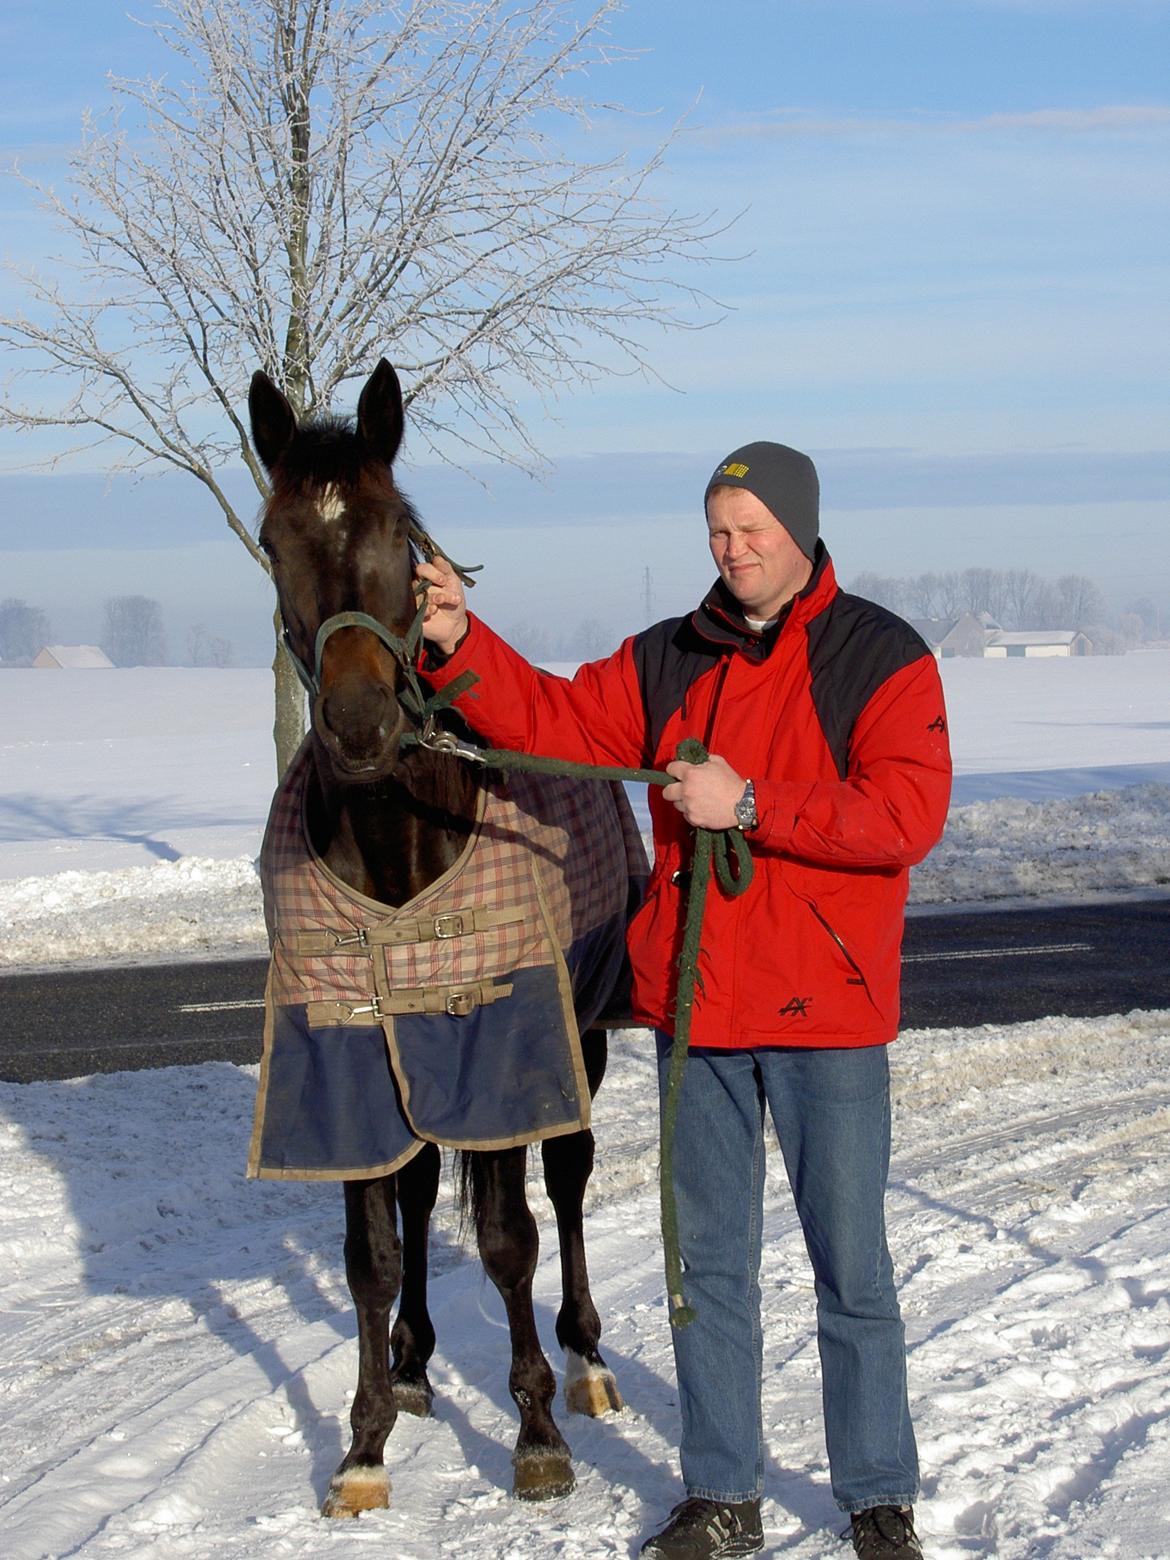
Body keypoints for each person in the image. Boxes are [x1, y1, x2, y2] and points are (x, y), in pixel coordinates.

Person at [415, 441, 952, 1560]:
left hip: (827, 1021)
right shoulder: (669, 659)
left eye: (753, 530)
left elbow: (902, 815)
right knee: (706, 1270)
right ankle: (721, 1493)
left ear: (802, 531)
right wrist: (461, 640)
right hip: (699, 1017)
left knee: (851, 1267)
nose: (734, 549)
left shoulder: (880, 656)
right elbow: (552, 723)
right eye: (718, 530)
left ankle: (877, 1494)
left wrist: (747, 802)